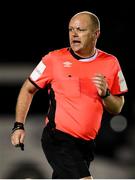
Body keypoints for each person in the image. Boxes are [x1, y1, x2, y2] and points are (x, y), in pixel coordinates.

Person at [11, 11, 128, 179]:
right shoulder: (54, 59)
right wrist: (18, 125)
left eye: (80, 29)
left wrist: (106, 94)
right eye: (71, 29)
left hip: (87, 144)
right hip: (58, 138)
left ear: (96, 34)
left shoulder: (111, 63)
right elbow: (28, 89)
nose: (74, 34)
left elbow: (117, 107)